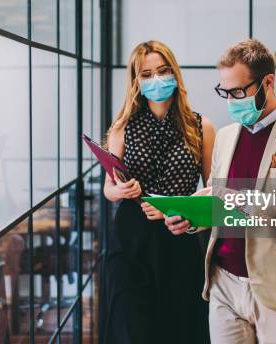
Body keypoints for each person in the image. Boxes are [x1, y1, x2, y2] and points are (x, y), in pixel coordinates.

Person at [165, 39, 276, 344]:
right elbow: (219, 199)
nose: (230, 101)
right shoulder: (226, 137)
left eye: (238, 92)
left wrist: (246, 200)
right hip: (223, 281)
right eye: (225, 92)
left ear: (268, 83)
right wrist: (192, 217)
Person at [99, 40, 215, 344]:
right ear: (136, 82)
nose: (157, 79)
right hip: (131, 243)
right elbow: (108, 189)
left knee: (181, 329)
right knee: (133, 330)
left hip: (180, 239)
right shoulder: (122, 128)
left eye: (163, 71)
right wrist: (121, 189)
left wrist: (183, 208)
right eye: (147, 74)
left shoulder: (201, 127)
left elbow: (214, 193)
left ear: (175, 74)